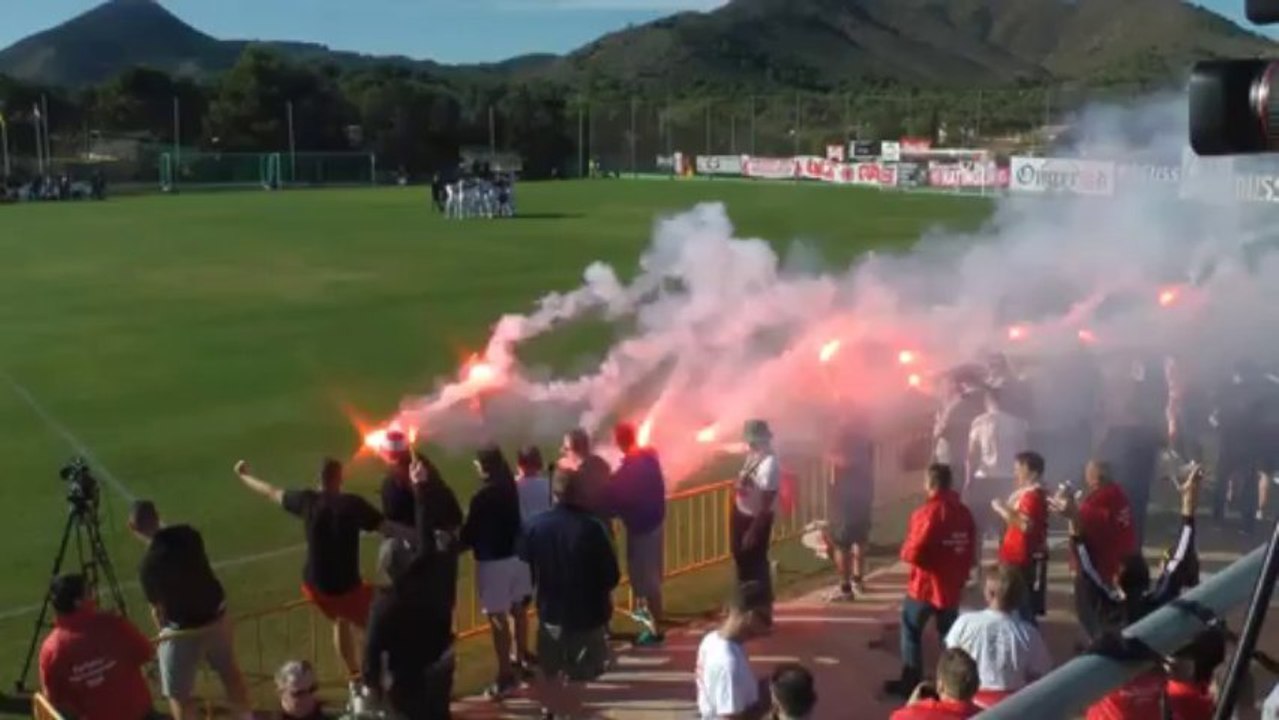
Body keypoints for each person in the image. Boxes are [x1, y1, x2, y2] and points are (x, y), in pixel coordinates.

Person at [233, 458, 413, 683]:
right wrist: (425, 538)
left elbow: (270, 492)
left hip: (314, 588)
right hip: (346, 590)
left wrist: (244, 476)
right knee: (382, 624)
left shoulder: (307, 502)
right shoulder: (352, 504)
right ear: (340, 478)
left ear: (318, 479)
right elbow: (388, 527)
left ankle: (353, 675)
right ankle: (378, 676)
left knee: (341, 619)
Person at [1056, 464, 1203, 720]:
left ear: (1115, 580)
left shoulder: (1104, 615)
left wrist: (1072, 519)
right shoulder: (1159, 615)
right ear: (1147, 579)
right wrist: (1188, 506)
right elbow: (1179, 561)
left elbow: (1085, 566)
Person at [127, 500, 252, 720]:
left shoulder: (148, 566)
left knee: (178, 694)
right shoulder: (189, 535)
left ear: (133, 528)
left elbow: (158, 610)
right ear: (158, 516)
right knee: (230, 674)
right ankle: (245, 717)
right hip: (216, 617)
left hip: (182, 630)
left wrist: (163, 638)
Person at [519, 465, 621, 720]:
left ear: (554, 494)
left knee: (551, 670)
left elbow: (523, 560)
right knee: (579, 677)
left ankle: (552, 710)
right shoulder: (593, 528)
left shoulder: (535, 526)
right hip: (586, 617)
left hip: (551, 614)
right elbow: (611, 576)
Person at [884, 464, 976, 699]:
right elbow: (969, 549)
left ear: (930, 484)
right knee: (949, 636)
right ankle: (954, 684)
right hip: (951, 586)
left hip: (925, 587)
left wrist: (906, 553)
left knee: (911, 630)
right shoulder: (964, 512)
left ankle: (912, 681)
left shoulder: (926, 513)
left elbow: (912, 552)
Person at [460, 444, 528, 699]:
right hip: (517, 558)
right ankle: (519, 660)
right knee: (518, 609)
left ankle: (505, 676)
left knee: (498, 619)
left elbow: (469, 533)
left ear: (484, 467)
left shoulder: (483, 496)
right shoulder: (509, 486)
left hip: (493, 562)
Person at [39, 574, 157, 720]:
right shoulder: (111, 624)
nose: (94, 594)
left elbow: (54, 698)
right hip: (137, 713)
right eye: (89, 591)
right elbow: (145, 652)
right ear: (78, 602)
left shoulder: (50, 648)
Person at [943, 564, 1052, 708]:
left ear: (989, 594)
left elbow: (950, 659)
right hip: (1012, 706)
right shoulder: (1029, 633)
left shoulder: (965, 622)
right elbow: (1040, 673)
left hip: (971, 702)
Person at [606, 422, 668, 645]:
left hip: (642, 529)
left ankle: (655, 629)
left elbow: (614, 499)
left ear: (619, 441)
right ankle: (654, 623)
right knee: (651, 579)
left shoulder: (629, 469)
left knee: (646, 582)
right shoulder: (649, 459)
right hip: (655, 523)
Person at [1070, 461, 1136, 641]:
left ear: (1095, 478)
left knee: (1092, 612)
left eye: (1088, 475)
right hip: (1120, 561)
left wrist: (1070, 508)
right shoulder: (1118, 493)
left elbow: (1079, 525)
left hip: (1102, 567)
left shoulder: (1099, 500)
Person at [966, 390, 1030, 574]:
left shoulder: (979, 421)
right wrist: (1022, 480)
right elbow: (1023, 453)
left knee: (978, 524)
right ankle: (1006, 564)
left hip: (984, 477)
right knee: (1006, 523)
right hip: (1008, 478)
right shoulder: (1017, 423)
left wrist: (969, 478)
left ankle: (975, 566)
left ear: (987, 402)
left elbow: (971, 455)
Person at [695, 581, 772, 720]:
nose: (768, 628)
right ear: (751, 616)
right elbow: (730, 717)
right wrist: (765, 704)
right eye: (766, 620)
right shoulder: (729, 663)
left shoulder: (710, 640)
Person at [992, 451, 1049, 623]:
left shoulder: (1032, 496)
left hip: (1020, 558)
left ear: (1032, 472)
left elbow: (1025, 525)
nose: (1015, 473)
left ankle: (1026, 643)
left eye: (1019, 469)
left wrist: (1001, 508)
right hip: (1018, 556)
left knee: (1020, 608)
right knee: (1019, 607)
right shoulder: (1028, 493)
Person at [824, 413, 876, 601]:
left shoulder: (843, 439)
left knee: (842, 543)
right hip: (864, 493)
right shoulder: (865, 438)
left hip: (846, 497)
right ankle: (858, 580)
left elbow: (841, 465)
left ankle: (845, 588)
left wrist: (828, 455)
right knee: (860, 539)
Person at [734, 419, 781, 626]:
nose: (749, 445)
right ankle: (750, 608)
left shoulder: (769, 464)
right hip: (743, 515)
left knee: (757, 564)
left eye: (752, 442)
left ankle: (762, 613)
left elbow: (766, 504)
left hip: (755, 520)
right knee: (745, 563)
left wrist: (753, 531)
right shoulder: (754, 457)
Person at [379, 430, 462, 538]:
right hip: (445, 536)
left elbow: (393, 522)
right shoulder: (426, 467)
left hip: (417, 543)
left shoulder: (392, 484)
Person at [514, 445, 553, 665]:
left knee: (519, 605)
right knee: (545, 599)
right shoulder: (547, 485)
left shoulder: (515, 487)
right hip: (545, 547)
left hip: (523, 550)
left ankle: (520, 651)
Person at [889, 648, 982, 720]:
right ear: (976, 686)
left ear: (940, 686)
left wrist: (910, 707)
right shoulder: (991, 716)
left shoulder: (908, 716)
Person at [559, 428, 612, 517]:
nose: (562, 452)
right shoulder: (601, 464)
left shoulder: (577, 475)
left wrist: (566, 475)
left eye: (566, 448)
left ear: (576, 450)